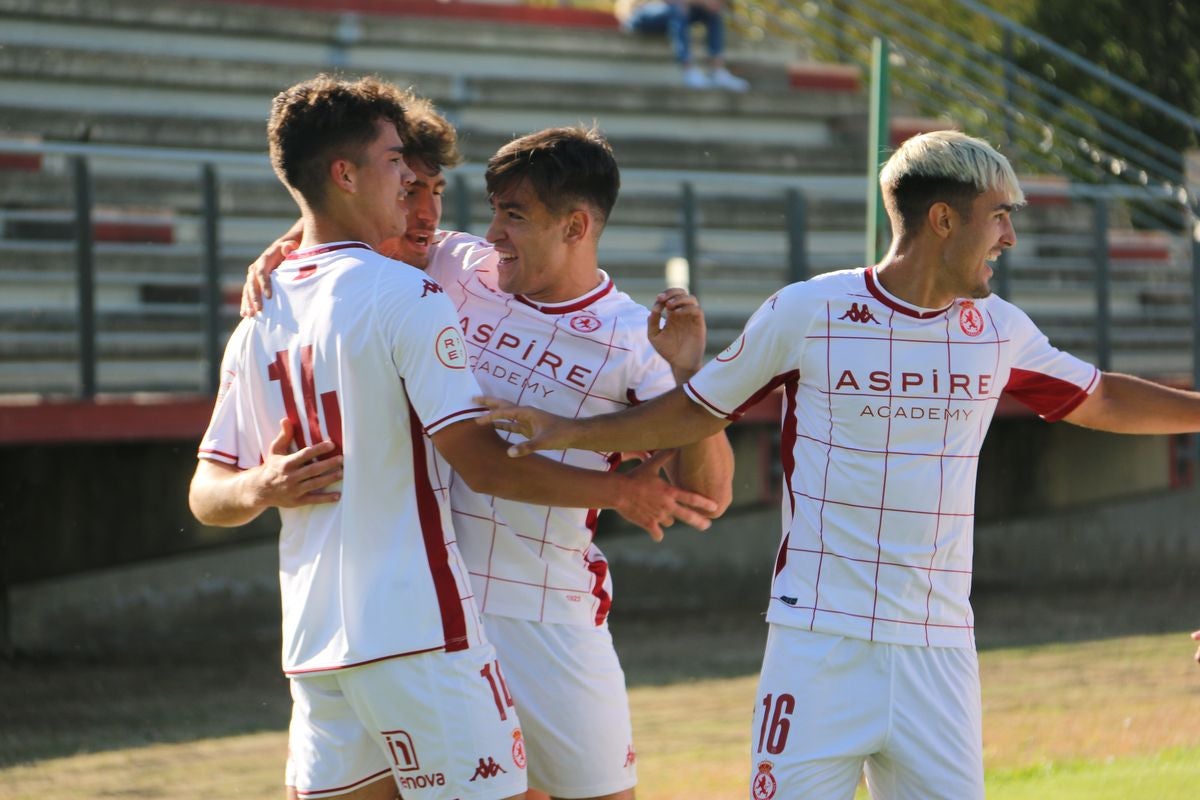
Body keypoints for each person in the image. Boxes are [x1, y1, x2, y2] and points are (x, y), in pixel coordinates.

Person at [475, 129, 1200, 800]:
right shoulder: (808, 311)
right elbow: (697, 409)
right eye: (998, 215)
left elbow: (1100, 397)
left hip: (939, 648)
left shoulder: (1000, 331)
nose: (1009, 235)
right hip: (817, 641)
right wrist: (569, 428)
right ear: (943, 220)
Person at [192, 75, 718, 800]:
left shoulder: (633, 334)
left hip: (543, 612)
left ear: (575, 227)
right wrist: (288, 243)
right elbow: (337, 222)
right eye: (408, 183)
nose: (435, 213)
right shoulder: (446, 271)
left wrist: (692, 382)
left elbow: (708, 492)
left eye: (512, 215)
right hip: (429, 611)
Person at [614, 0, 749, 91]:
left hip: (671, 15)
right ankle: (688, 69)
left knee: (713, 14)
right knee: (677, 9)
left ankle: (717, 71)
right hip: (640, 14)